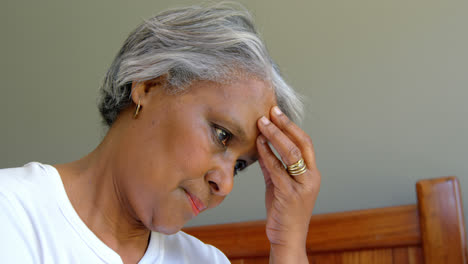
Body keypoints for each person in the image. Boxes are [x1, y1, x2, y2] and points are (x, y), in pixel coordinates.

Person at [0, 2, 321, 264]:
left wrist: (288, 243)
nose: (225, 185)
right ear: (148, 86)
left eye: (239, 166)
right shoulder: (11, 213)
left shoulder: (207, 261)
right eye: (222, 135)